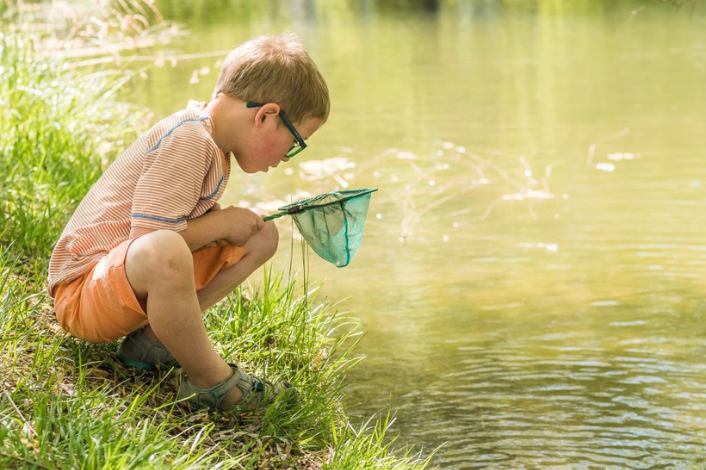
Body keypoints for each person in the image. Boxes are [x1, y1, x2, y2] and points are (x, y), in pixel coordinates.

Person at [47, 34, 330, 412]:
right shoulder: (190, 139)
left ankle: (155, 341)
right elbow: (153, 241)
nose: (289, 156)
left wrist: (227, 224)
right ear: (266, 116)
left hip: (123, 280)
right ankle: (212, 382)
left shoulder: (213, 144)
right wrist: (224, 223)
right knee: (165, 250)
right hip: (84, 294)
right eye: (296, 141)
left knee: (261, 235)